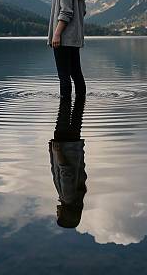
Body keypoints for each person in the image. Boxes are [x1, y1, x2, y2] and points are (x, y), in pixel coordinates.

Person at [47, 0, 87, 100]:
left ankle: (64, 114)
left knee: (64, 76)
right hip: (74, 38)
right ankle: (79, 110)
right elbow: (82, 11)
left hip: (63, 38)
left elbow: (65, 12)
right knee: (76, 73)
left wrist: (56, 34)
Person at [48, 95, 87, 228]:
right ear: (65, 214)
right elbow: (66, 173)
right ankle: (66, 95)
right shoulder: (68, 197)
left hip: (74, 147)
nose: (57, 212)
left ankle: (75, 97)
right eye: (58, 215)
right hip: (64, 147)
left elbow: (80, 169)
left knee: (77, 112)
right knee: (63, 112)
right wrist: (57, 152)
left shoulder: (76, 197)